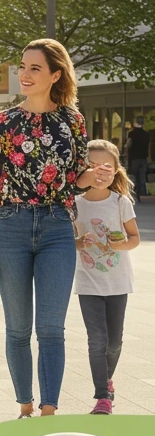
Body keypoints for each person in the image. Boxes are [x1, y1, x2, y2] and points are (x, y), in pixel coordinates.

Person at [0, 38, 106, 420]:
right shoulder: (3, 122)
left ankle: (48, 412)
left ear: (55, 75)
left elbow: (76, 179)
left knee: (51, 329)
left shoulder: (73, 121)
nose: (25, 75)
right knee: (17, 329)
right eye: (22, 67)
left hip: (57, 227)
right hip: (10, 228)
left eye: (35, 69)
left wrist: (92, 177)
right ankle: (25, 407)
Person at [73, 139, 140, 415]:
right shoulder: (75, 204)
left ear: (115, 171)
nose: (100, 173)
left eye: (106, 167)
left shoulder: (121, 202)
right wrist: (78, 241)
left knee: (114, 342)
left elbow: (134, 238)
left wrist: (121, 244)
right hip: (88, 283)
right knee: (96, 339)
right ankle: (102, 396)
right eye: (92, 167)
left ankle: (107, 380)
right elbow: (68, 241)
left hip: (118, 282)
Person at [125, 117, 149, 201]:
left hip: (134, 158)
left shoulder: (132, 133)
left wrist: (126, 150)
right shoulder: (146, 134)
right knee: (142, 177)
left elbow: (128, 144)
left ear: (135, 123)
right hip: (143, 158)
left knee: (133, 176)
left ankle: (133, 194)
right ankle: (142, 194)